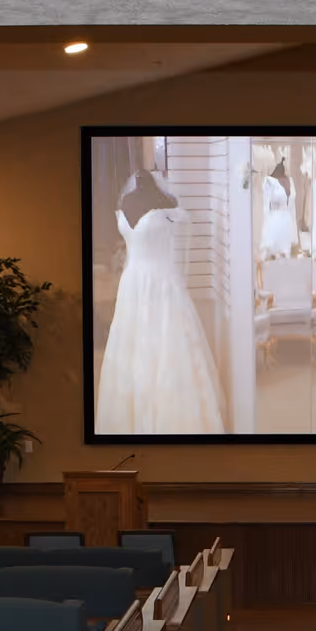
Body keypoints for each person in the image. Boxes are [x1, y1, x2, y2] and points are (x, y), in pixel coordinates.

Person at [96, 170, 226, 435]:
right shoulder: (128, 201)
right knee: (132, 347)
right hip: (132, 283)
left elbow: (184, 230)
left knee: (167, 345)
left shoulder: (165, 202)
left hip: (161, 283)